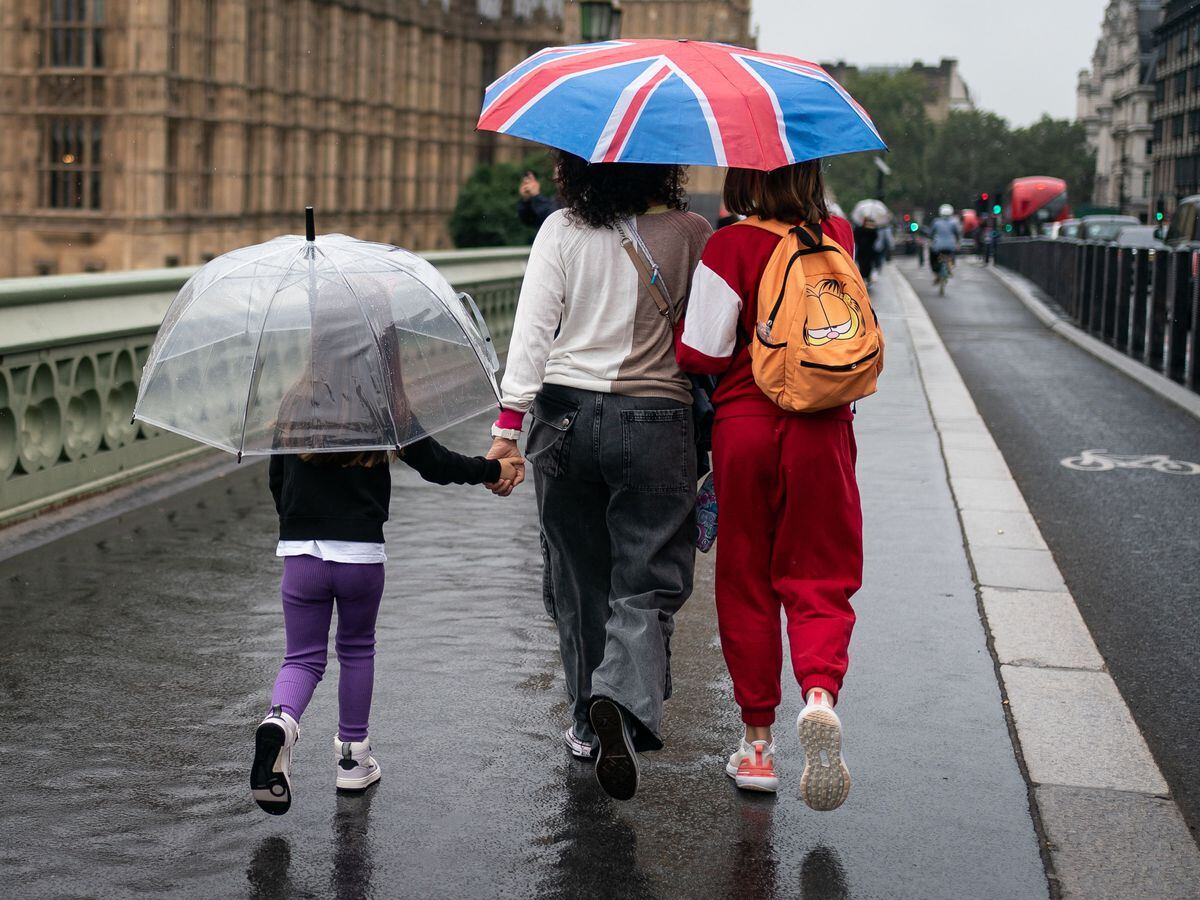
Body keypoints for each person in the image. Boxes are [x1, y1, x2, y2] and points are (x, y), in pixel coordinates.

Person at [486, 150, 712, 801]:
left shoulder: (560, 229)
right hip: (655, 421)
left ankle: (587, 719)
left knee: (578, 579)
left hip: (563, 420)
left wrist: (507, 431)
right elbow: (716, 340)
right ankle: (623, 695)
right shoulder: (695, 235)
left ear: (576, 169)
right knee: (647, 580)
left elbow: (532, 332)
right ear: (664, 168)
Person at [249, 362, 523, 816]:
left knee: (301, 657)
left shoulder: (295, 402)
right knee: (356, 649)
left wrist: (297, 526)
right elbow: (435, 464)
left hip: (300, 552)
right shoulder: (381, 405)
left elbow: (277, 480)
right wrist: (490, 469)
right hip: (359, 555)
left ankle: (280, 721)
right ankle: (353, 762)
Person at [677, 161, 863, 810]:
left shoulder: (728, 245)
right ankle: (819, 696)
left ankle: (757, 747)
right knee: (820, 573)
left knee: (747, 577)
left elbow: (698, 352)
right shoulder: (837, 234)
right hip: (824, 426)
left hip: (746, 426)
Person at [929, 203, 962, 281]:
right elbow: (957, 234)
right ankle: (951, 266)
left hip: (938, 246)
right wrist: (957, 243)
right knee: (952, 255)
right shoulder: (954, 222)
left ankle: (936, 272)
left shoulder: (936, 222)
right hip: (950, 245)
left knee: (933, 257)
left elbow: (931, 234)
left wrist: (931, 240)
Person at [852, 215, 879, 281]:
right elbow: (856, 237)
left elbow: (875, 238)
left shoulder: (872, 229)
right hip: (862, 250)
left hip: (869, 251)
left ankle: (867, 277)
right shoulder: (859, 229)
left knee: (868, 265)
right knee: (862, 264)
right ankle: (863, 277)